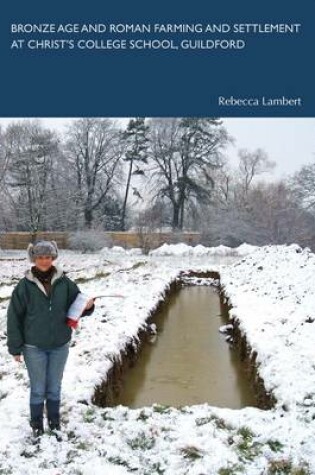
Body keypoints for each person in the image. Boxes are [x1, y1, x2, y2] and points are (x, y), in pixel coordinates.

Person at [6, 240, 95, 439]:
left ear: (53, 258)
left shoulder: (65, 283)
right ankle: (37, 423)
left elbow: (77, 305)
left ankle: (54, 421)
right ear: (33, 259)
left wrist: (88, 307)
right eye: (39, 257)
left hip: (59, 345)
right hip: (33, 346)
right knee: (38, 388)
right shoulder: (24, 286)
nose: (44, 261)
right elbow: (14, 317)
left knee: (54, 387)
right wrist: (15, 348)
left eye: (47, 257)